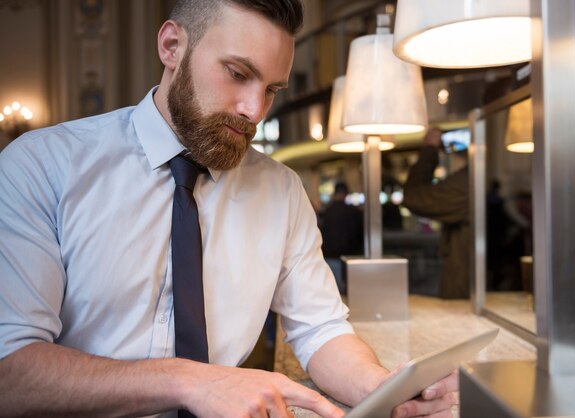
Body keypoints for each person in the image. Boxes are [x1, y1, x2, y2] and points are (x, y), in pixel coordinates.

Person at [0, 1, 458, 417]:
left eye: (272, 89)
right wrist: (190, 381)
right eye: (238, 74)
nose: (255, 109)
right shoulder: (43, 165)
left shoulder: (282, 191)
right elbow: (10, 368)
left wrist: (385, 391)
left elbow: (321, 331)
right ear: (172, 46)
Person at [403, 128, 470, 299]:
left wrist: (429, 150)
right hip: (479, 287)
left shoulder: (469, 182)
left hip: (465, 289)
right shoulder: (478, 179)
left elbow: (414, 197)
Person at [320, 181, 363, 293]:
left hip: (330, 255)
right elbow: (359, 233)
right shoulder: (354, 212)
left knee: (333, 289)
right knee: (350, 289)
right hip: (350, 256)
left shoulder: (326, 211)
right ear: (346, 193)